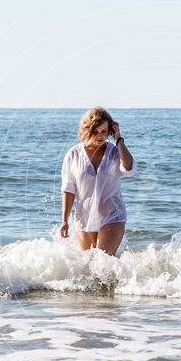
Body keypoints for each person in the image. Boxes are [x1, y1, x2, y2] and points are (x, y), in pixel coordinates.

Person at [60, 107, 135, 256]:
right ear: (88, 130)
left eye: (104, 131)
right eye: (96, 131)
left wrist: (118, 138)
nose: (101, 136)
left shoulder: (114, 152)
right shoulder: (73, 154)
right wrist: (65, 220)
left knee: (104, 261)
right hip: (84, 216)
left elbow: (129, 168)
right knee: (90, 266)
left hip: (113, 214)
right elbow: (69, 189)